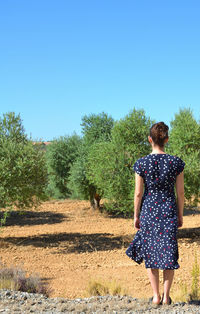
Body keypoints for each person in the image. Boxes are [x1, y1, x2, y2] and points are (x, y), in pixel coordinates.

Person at [125, 121, 185, 305]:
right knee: (168, 254)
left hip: (149, 212)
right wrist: (181, 215)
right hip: (168, 211)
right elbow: (180, 193)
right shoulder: (176, 163)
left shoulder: (141, 163)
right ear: (166, 139)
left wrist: (136, 215)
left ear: (150, 139)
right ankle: (167, 297)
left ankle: (156, 296)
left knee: (151, 253)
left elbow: (138, 193)